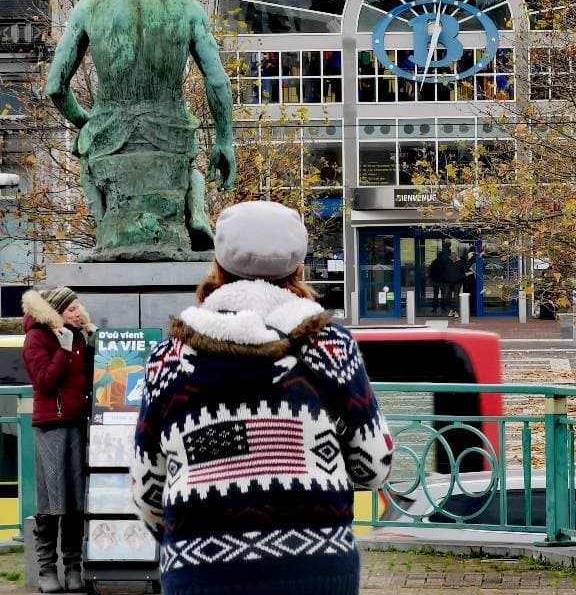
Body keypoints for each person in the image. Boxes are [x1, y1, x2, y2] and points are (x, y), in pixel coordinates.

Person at [131, 200, 393, 595]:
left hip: (200, 574)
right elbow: (374, 466)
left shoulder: (170, 358)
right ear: (298, 267)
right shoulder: (331, 348)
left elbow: (147, 490)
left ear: (217, 266)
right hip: (318, 571)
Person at [44, 0, 236, 261]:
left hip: (109, 130)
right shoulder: (186, 7)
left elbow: (56, 86)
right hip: (171, 131)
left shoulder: (90, 6)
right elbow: (217, 79)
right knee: (189, 166)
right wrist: (224, 139)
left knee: (86, 157)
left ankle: (104, 230)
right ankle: (195, 212)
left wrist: (83, 121)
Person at [23, 286, 95, 594]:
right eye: (72, 309)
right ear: (55, 312)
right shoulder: (37, 338)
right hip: (51, 427)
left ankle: (73, 568)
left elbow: (91, 379)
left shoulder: (78, 338)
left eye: (80, 308)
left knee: (75, 501)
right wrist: (64, 351)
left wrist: (94, 345)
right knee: (52, 500)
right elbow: (45, 382)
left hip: (77, 424)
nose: (78, 313)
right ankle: (47, 569)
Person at [428, 249, 449, 314]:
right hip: (443, 281)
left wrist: (432, 279)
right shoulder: (444, 262)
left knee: (435, 295)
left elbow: (430, 271)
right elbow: (447, 271)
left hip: (436, 281)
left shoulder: (434, 262)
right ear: (442, 256)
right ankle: (443, 308)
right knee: (443, 295)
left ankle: (434, 308)